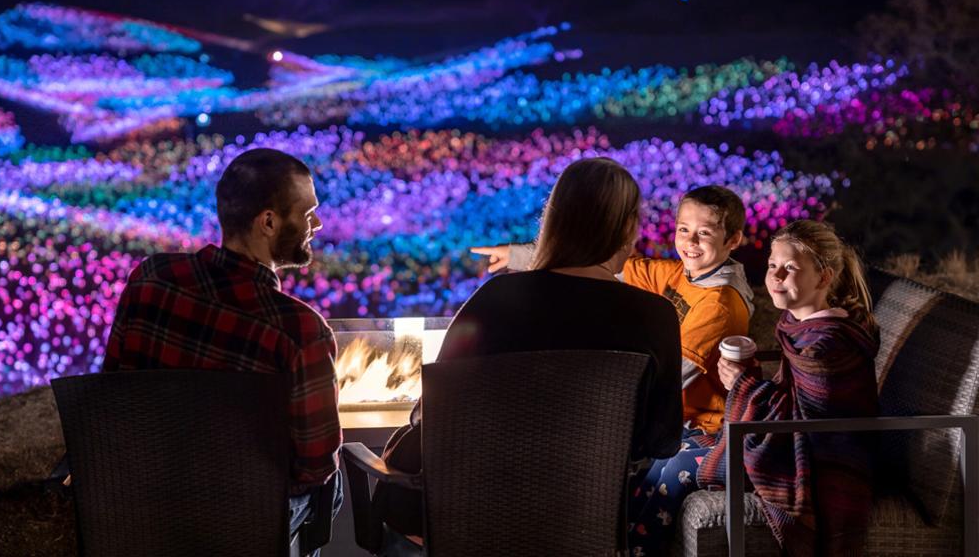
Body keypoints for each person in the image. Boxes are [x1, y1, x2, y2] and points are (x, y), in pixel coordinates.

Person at [375, 157, 684, 554]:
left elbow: (433, 412)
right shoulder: (654, 316)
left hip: (467, 525)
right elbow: (663, 441)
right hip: (585, 528)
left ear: (553, 220)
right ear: (626, 227)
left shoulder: (494, 300)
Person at [102, 147, 343, 541]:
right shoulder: (300, 331)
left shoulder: (150, 278)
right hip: (241, 525)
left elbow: (112, 389)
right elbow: (315, 465)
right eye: (307, 212)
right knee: (333, 488)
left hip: (143, 505)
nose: (316, 222)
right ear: (268, 222)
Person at [626, 219, 879, 556]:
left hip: (812, 460)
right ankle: (627, 543)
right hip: (785, 440)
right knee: (668, 447)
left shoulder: (830, 343)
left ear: (824, 276)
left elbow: (809, 421)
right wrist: (749, 377)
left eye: (789, 268)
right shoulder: (798, 324)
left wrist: (743, 384)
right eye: (773, 265)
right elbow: (790, 400)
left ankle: (641, 550)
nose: (775, 276)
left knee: (675, 468)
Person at [473, 185, 753, 435]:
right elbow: (604, 266)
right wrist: (520, 256)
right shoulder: (680, 274)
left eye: (704, 233)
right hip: (673, 416)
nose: (690, 242)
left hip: (700, 428)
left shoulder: (719, 304)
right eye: (684, 229)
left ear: (732, 239)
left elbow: (671, 376)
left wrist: (591, 393)